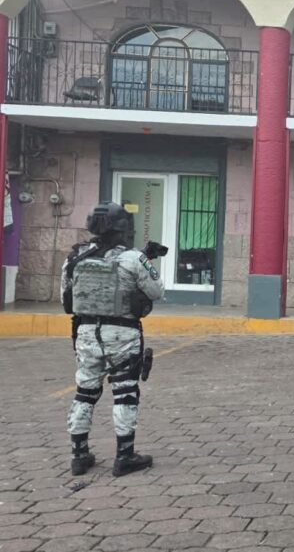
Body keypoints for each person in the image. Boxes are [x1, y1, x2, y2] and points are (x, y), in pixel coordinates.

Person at [63, 202, 165, 477]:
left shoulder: (74, 257)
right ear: (123, 229)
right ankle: (124, 456)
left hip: (86, 333)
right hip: (122, 334)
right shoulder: (133, 258)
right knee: (125, 392)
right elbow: (156, 291)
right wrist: (145, 260)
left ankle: (79, 456)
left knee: (85, 392)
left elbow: (66, 299)